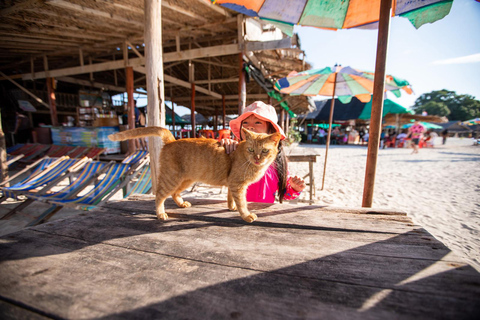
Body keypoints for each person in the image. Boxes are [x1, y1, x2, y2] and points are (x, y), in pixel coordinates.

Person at [220, 101, 306, 203]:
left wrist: (295, 188)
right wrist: (225, 146)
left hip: (265, 213)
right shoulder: (235, 151)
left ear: (271, 131)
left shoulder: (277, 161)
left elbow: (286, 194)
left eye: (257, 122)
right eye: (245, 123)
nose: (250, 127)